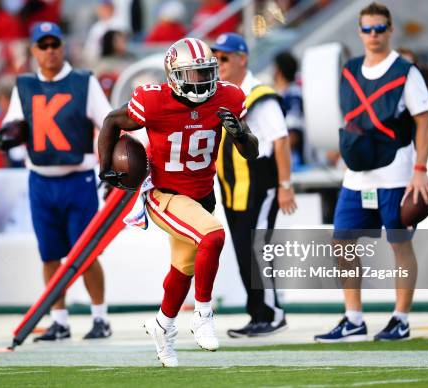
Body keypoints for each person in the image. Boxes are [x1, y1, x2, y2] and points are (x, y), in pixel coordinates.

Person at [98, 37, 258, 367]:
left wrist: (240, 134)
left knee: (182, 270)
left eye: (206, 73)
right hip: (165, 194)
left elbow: (251, 150)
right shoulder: (153, 101)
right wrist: (105, 169)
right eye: (194, 75)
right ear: (173, 75)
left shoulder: (227, 96)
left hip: (201, 195)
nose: (202, 81)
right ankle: (203, 314)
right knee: (212, 236)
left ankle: (162, 325)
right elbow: (112, 121)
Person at [314, 2, 428, 342]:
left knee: (399, 244)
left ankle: (401, 317)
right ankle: (353, 318)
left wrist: (420, 169)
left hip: (395, 170)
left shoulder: (405, 72)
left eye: (379, 28)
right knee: (342, 241)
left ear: (390, 30)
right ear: (359, 31)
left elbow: (424, 123)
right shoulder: (350, 69)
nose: (373, 35)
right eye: (367, 29)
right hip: (357, 173)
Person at [0, 22, 112, 341]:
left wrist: (107, 163)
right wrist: (4, 137)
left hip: (78, 178)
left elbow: (107, 122)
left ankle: (100, 317)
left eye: (54, 44)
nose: (50, 51)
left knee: (85, 252)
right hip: (40, 179)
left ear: (63, 46)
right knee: (49, 254)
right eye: (43, 45)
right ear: (34, 50)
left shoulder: (83, 82)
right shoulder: (24, 85)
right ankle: (59, 319)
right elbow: (11, 126)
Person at [211, 32, 296, 338]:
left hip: (260, 180)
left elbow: (281, 140)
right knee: (244, 252)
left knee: (258, 249)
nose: (218, 63)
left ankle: (272, 314)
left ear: (242, 58)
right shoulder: (219, 93)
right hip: (233, 185)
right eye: (215, 57)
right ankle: (257, 313)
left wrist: (285, 184)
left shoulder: (259, 94)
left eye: (224, 57)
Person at [273, 51, 305, 170]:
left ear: (279, 71)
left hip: (293, 162)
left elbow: (293, 134)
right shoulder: (284, 93)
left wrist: (275, 157)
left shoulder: (293, 95)